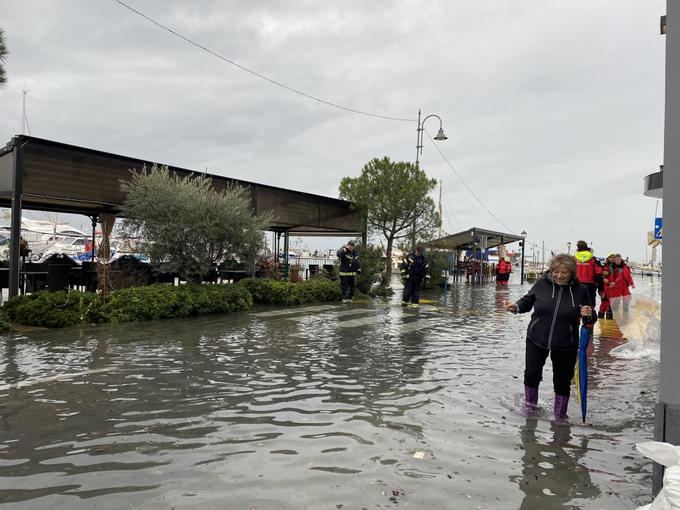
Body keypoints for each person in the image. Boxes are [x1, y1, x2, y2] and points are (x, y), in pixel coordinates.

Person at [505, 254, 595, 423]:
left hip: (566, 343)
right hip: (536, 337)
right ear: (551, 271)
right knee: (531, 374)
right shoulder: (541, 284)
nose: (559, 276)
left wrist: (589, 315)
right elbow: (527, 301)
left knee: (562, 381)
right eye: (556, 272)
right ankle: (530, 406)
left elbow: (591, 317)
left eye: (564, 272)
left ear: (571, 273)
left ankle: (560, 415)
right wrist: (515, 307)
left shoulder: (581, 291)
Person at [574, 240, 603, 308]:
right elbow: (599, 274)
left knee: (577, 305)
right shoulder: (593, 260)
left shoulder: (574, 259)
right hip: (590, 285)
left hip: (576, 284)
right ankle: (589, 317)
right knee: (590, 305)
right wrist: (601, 289)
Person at [598, 253, 618, 319]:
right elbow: (600, 275)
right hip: (605, 287)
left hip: (613, 287)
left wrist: (615, 282)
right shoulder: (604, 266)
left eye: (613, 257)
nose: (612, 259)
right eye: (611, 257)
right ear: (608, 258)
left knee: (611, 303)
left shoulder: (616, 267)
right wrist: (603, 279)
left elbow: (619, 277)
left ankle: (608, 320)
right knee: (604, 302)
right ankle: (601, 321)